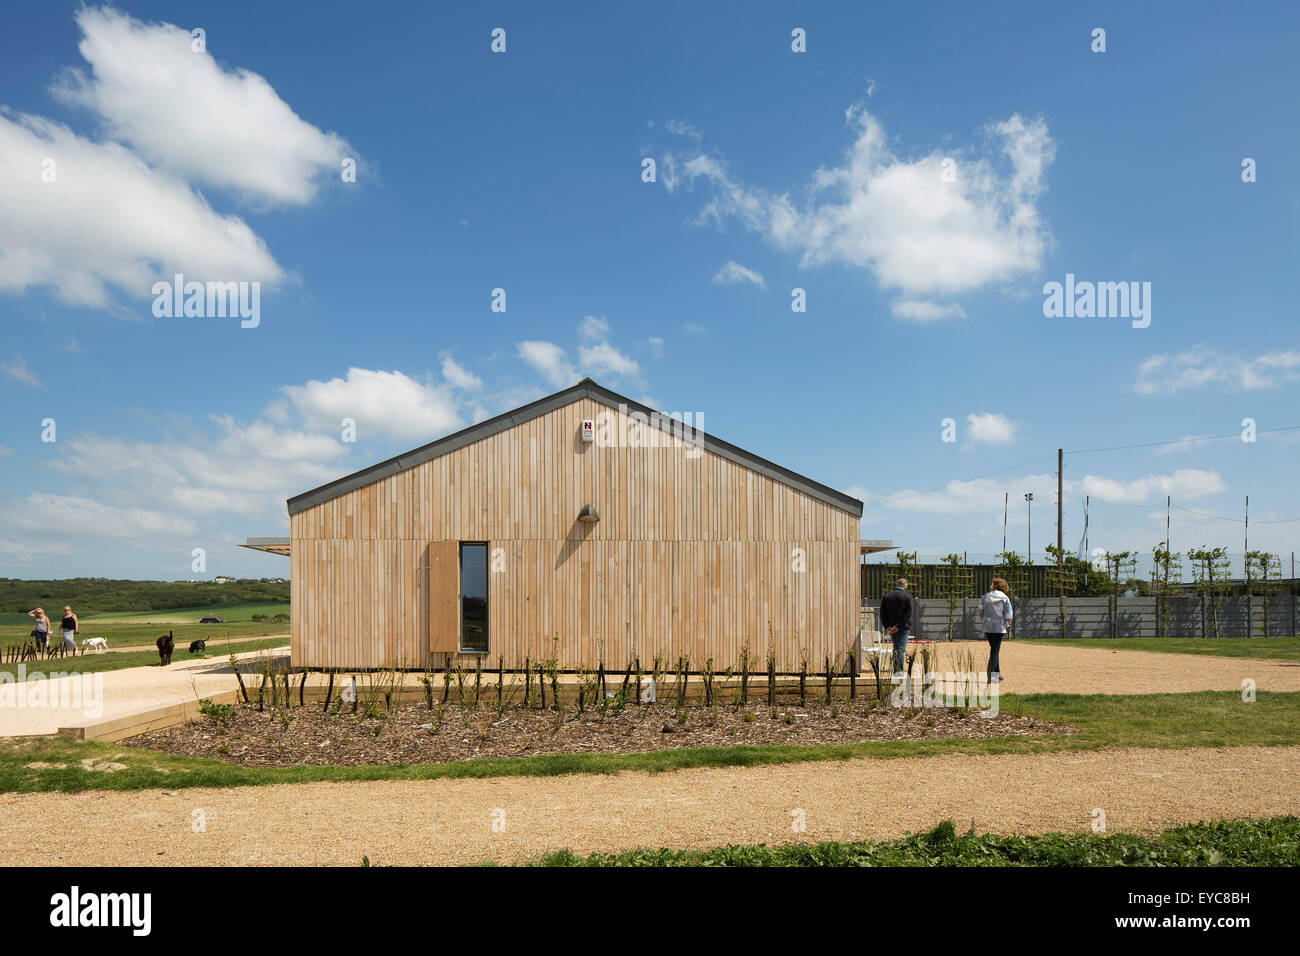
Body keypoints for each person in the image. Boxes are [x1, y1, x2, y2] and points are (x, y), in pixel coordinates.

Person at [978, 577, 1014, 683]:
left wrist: (984, 621)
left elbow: (980, 613)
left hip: (987, 628)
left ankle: (996, 674)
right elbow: (1009, 615)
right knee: (994, 651)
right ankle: (992, 676)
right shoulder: (1005, 598)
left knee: (994, 650)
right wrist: (1007, 624)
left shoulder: (984, 597)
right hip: (999, 628)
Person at [879, 577, 916, 679]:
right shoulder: (907, 597)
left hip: (891, 628)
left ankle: (896, 670)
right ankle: (898, 672)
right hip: (903, 627)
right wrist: (898, 626)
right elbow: (908, 614)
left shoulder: (887, 596)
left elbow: (883, 614)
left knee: (896, 647)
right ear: (906, 586)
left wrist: (888, 627)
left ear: (896, 585)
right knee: (900, 648)